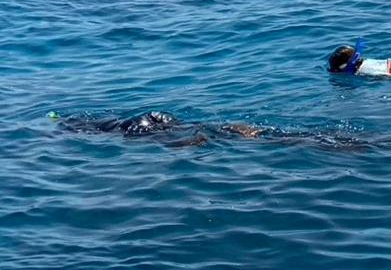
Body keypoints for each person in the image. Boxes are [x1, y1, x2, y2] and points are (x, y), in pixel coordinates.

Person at [48, 110, 364, 150]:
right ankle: (343, 143)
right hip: (198, 126)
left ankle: (342, 145)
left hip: (189, 132)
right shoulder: (115, 122)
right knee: (275, 135)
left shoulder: (122, 131)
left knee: (279, 139)